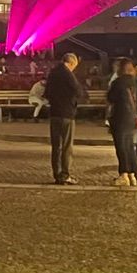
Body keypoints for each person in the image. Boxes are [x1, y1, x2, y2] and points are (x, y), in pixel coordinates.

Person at [42, 49, 86, 185]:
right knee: (67, 146)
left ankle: (57, 174)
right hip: (66, 113)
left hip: (54, 113)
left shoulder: (53, 73)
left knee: (56, 146)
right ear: (71, 63)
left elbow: (47, 93)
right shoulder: (68, 74)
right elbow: (78, 91)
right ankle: (65, 174)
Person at [106, 58, 137, 187]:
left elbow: (110, 98)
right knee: (129, 147)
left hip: (120, 117)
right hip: (131, 117)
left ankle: (124, 174)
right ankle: (133, 174)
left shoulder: (118, 82)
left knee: (121, 147)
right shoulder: (134, 82)